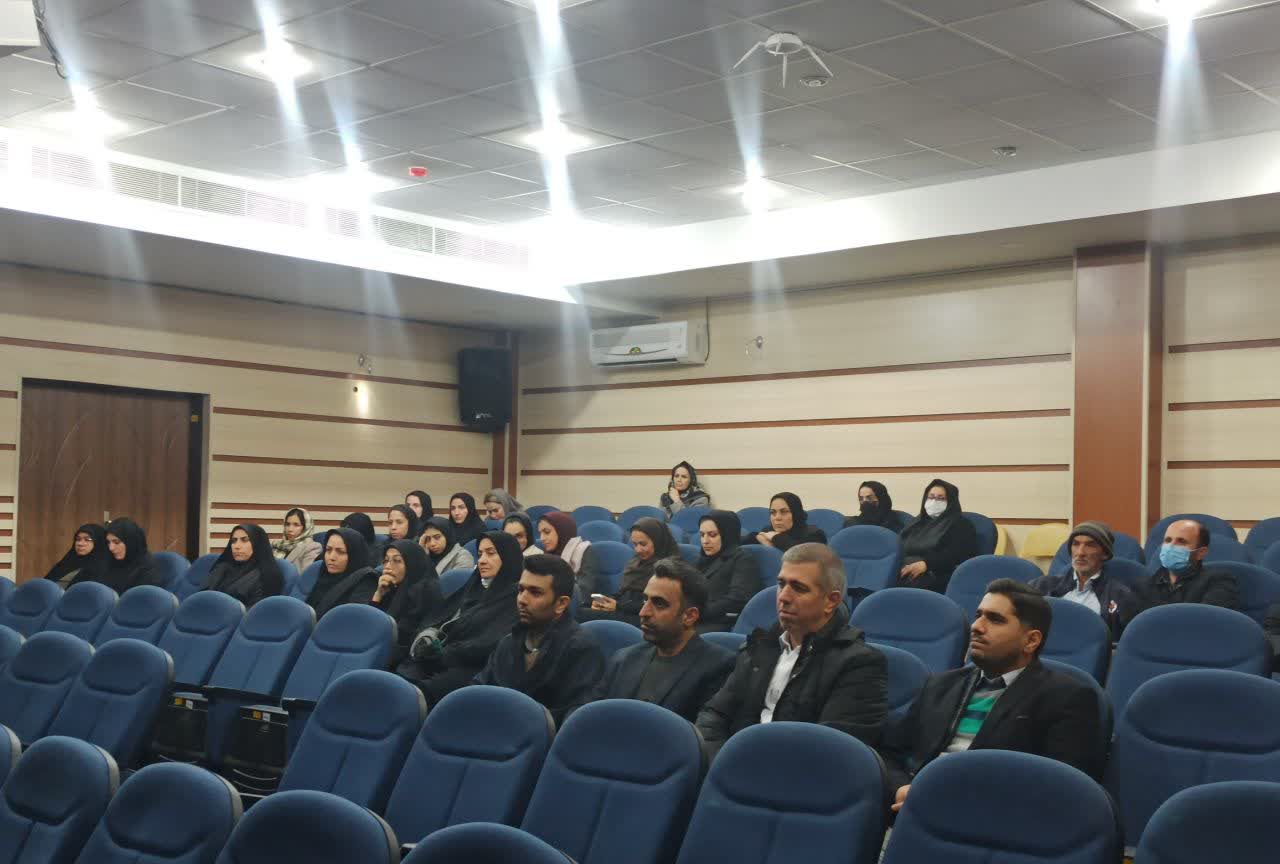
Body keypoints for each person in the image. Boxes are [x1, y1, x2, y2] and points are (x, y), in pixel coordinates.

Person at [885, 579, 1107, 814]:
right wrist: (901, 788)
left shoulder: (1068, 698)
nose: (976, 626)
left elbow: (1060, 789)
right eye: (978, 615)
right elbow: (890, 753)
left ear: (1031, 640)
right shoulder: (939, 685)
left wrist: (949, 800)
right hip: (912, 809)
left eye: (995, 619)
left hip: (991, 819)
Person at [697, 543, 888, 759]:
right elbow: (713, 715)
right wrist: (721, 761)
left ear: (831, 601)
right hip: (733, 766)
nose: (783, 597)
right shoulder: (761, 646)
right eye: (781, 584)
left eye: (799, 588)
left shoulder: (859, 664)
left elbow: (831, 752)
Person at [589, 558, 736, 723]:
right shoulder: (623, 659)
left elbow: (703, 733)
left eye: (659, 604)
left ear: (689, 616)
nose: (643, 612)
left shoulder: (720, 668)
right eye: (645, 600)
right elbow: (591, 718)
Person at [474, 554, 606, 724]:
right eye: (521, 590)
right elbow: (478, 690)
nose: (522, 600)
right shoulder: (508, 642)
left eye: (535, 593)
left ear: (561, 604)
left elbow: (576, 719)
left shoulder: (582, 649)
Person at [397, 531, 522, 706]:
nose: (482, 560)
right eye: (480, 554)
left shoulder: (518, 598)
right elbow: (443, 617)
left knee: (420, 692)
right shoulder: (475, 586)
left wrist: (445, 653)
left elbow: (492, 643)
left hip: (477, 668)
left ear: (508, 557)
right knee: (400, 677)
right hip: (444, 657)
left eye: (491, 553)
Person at [1030, 521, 1137, 639]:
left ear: (1105, 554)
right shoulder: (1040, 586)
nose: (1080, 552)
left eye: (1090, 545)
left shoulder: (1121, 596)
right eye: (1076, 544)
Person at [580, 517, 678, 626]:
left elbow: (657, 605)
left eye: (643, 544)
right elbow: (624, 592)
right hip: (625, 611)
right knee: (583, 612)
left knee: (581, 615)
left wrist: (618, 606)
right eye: (635, 544)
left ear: (658, 542)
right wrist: (606, 602)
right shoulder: (637, 561)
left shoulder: (669, 568)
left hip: (645, 618)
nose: (638, 550)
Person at [1134, 519, 1240, 611]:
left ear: (1201, 553)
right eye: (1168, 540)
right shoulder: (1143, 586)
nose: (1171, 546)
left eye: (1181, 541)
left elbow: (1208, 619)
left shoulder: (1218, 582)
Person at [897, 479, 978, 592]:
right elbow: (899, 544)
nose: (934, 501)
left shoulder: (961, 524)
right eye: (931, 497)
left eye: (941, 498)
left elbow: (955, 554)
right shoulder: (917, 522)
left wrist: (926, 564)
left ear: (951, 501)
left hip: (937, 572)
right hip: (905, 566)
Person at [695, 510, 762, 632]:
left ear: (727, 534)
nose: (705, 541)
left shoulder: (742, 558)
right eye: (702, 535)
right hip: (695, 619)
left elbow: (737, 600)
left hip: (719, 622)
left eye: (712, 535)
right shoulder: (702, 560)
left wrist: (696, 612)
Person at [204, 524, 284, 608]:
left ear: (257, 543)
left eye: (245, 540)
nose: (237, 546)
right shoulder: (222, 567)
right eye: (233, 541)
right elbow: (202, 597)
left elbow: (259, 611)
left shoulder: (267, 575)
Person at [305, 528, 373, 614]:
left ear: (354, 555)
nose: (331, 557)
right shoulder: (323, 572)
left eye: (341, 552)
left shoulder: (366, 580)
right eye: (328, 550)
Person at [537, 511, 599, 601]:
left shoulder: (583, 551)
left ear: (562, 531)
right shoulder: (546, 554)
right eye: (540, 533)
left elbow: (584, 592)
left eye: (547, 532)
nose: (542, 538)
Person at [742, 492, 827, 550]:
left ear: (796, 514)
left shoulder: (815, 535)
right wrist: (757, 537)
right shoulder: (768, 531)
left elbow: (799, 554)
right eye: (773, 512)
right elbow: (738, 544)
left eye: (784, 512)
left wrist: (775, 538)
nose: (777, 518)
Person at [101, 517, 163, 594]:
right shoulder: (110, 561)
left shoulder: (147, 568)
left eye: (116, 542)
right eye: (108, 542)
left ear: (130, 542)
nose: (111, 548)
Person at [43, 524, 109, 588]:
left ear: (99, 542)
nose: (80, 543)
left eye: (87, 539)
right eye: (78, 539)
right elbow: (45, 585)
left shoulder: (103, 569)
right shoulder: (66, 562)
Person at [842, 481, 907, 533]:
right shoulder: (852, 524)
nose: (864, 501)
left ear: (881, 498)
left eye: (869, 497)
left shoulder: (894, 524)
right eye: (861, 498)